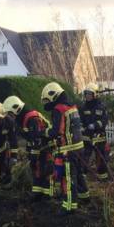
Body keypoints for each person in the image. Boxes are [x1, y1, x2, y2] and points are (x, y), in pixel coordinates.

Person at [41, 81, 88, 213]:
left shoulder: (58, 109)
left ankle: (69, 206)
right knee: (79, 174)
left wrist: (44, 133)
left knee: (68, 178)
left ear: (53, 96)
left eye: (47, 100)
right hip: (79, 147)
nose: (46, 104)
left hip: (68, 150)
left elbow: (56, 131)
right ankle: (85, 197)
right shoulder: (71, 106)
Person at [2, 95, 54, 201]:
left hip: (46, 148)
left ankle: (47, 197)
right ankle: (38, 194)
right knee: (37, 170)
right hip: (38, 149)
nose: (10, 117)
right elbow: (29, 138)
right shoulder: (22, 119)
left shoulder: (32, 119)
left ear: (16, 109)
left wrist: (33, 154)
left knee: (45, 171)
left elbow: (37, 139)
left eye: (10, 114)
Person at [79, 83, 110, 181]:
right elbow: (80, 120)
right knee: (84, 157)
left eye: (89, 94)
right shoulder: (83, 107)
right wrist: (81, 127)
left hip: (99, 136)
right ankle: (83, 177)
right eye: (86, 94)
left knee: (101, 157)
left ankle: (102, 178)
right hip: (87, 136)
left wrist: (95, 125)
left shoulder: (101, 107)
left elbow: (104, 121)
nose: (87, 96)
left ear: (95, 94)